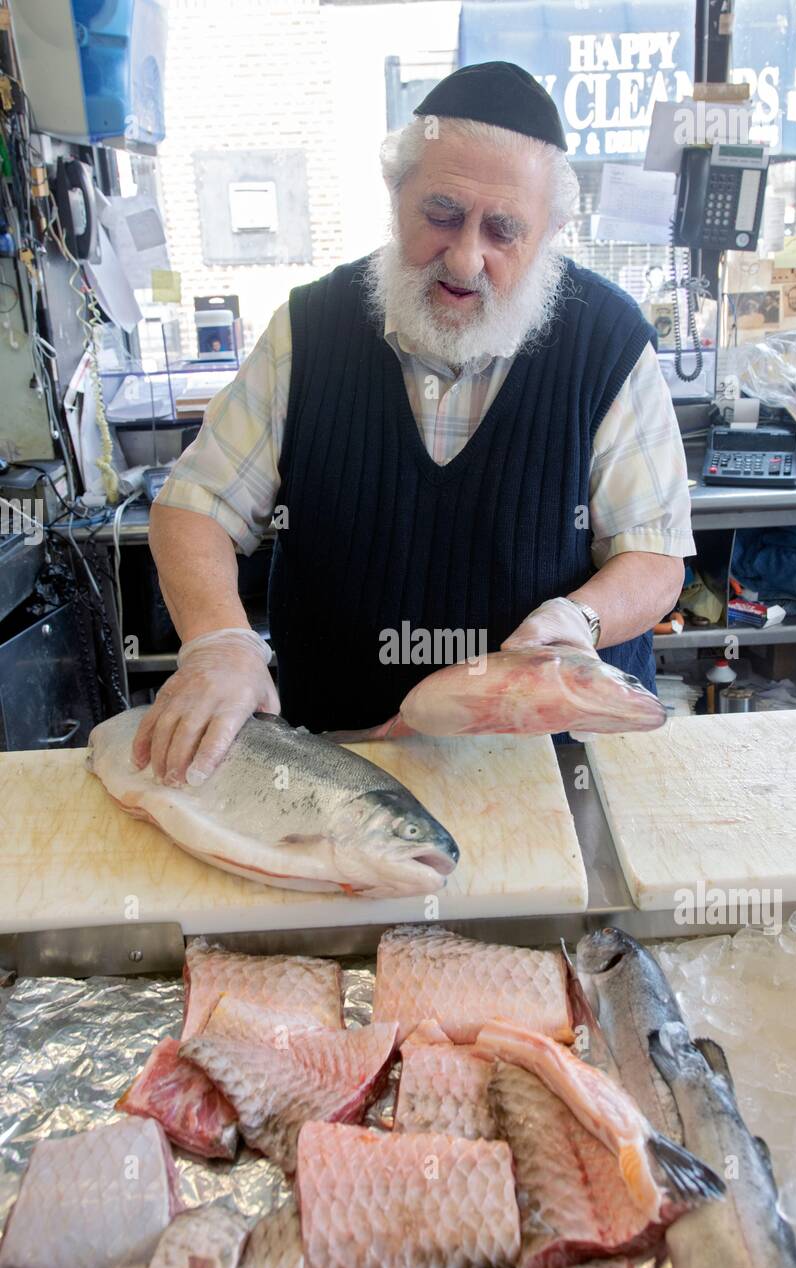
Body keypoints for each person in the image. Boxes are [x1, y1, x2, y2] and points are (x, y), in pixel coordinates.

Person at [138, 61, 693, 787]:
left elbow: (654, 557)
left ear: (551, 232)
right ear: (397, 194)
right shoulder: (310, 329)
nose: (465, 258)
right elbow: (193, 509)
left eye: (503, 230)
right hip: (338, 769)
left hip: (553, 769)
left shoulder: (609, 344)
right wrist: (220, 642)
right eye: (441, 214)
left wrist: (577, 621)